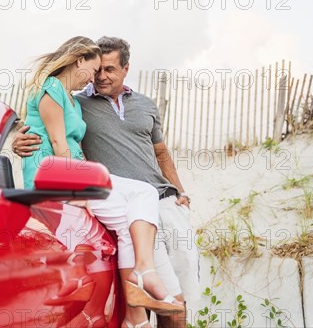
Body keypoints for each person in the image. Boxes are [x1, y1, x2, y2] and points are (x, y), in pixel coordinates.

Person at [13, 36, 199, 328]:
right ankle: (140, 294)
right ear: (80, 61)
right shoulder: (74, 97)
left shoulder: (136, 104)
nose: (99, 76)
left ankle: (136, 310)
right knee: (169, 294)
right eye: (96, 69)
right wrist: (18, 142)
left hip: (158, 200)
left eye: (108, 69)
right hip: (75, 181)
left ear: (126, 68)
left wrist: (181, 191)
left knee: (178, 289)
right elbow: (50, 138)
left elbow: (161, 151)